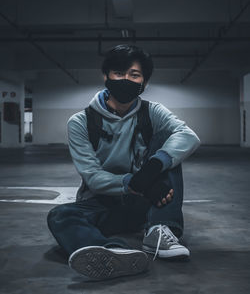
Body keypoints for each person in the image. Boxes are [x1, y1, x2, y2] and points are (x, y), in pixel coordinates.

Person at [47, 44, 201, 281]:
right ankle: (111, 252)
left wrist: (152, 168)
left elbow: (189, 136)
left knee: (169, 142)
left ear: (144, 83)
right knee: (59, 216)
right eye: (118, 73)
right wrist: (133, 182)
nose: (125, 79)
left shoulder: (152, 112)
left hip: (145, 203)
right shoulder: (80, 122)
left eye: (134, 74)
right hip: (102, 205)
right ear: (106, 77)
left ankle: (160, 231)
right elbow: (93, 176)